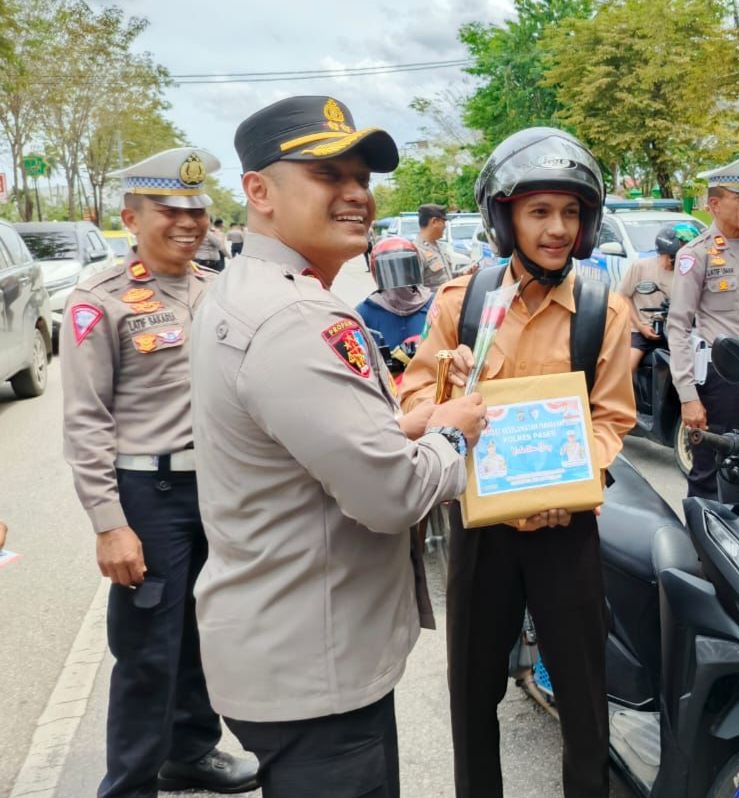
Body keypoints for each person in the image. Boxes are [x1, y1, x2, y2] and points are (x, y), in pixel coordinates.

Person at [189, 95, 487, 798]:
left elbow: (305, 437)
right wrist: (453, 436)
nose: (356, 193)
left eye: (361, 177)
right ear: (258, 191)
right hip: (313, 667)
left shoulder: (247, 288)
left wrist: (413, 421)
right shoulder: (298, 317)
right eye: (327, 175)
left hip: (284, 643)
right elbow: (391, 495)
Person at [401, 127, 635, 798]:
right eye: (539, 211)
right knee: (472, 696)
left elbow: (612, 417)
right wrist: (448, 396)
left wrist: (572, 484)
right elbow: (414, 391)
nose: (557, 228)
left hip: (567, 528)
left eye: (570, 212)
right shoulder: (462, 304)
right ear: (503, 218)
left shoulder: (603, 311)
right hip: (481, 529)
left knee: (586, 703)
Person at [60, 147, 258, 798]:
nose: (188, 221)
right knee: (147, 652)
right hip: (150, 492)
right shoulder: (100, 301)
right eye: (169, 209)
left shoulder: (215, 291)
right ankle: (129, 784)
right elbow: (86, 422)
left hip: (218, 492)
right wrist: (109, 523)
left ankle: (190, 751)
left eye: (197, 209)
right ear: (130, 217)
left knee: (205, 632)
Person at [666, 155, 739, 499]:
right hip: (718, 379)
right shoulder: (696, 254)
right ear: (714, 204)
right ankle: (702, 547)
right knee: (709, 468)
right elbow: (678, 327)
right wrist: (688, 397)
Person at [617, 222, 697, 371]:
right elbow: (623, 296)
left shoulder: (690, 275)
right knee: (626, 369)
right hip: (641, 331)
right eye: (670, 257)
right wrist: (641, 326)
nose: (671, 262)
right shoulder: (640, 267)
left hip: (678, 333)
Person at [414, 203, 452, 289]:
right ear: (434, 222)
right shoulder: (417, 251)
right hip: (434, 302)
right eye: (443, 222)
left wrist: (462, 274)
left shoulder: (439, 246)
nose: (445, 226)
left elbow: (444, 277)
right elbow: (417, 290)